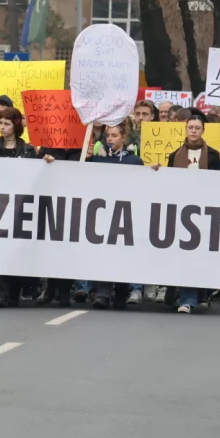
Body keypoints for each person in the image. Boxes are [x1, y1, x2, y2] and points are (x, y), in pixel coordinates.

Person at [152, 110, 220, 314]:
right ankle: (182, 296)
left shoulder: (212, 156)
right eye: (190, 127)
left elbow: (219, 183)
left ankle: (192, 297)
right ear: (185, 129)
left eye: (197, 128)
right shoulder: (175, 155)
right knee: (180, 255)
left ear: (203, 131)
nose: (193, 131)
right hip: (180, 211)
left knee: (197, 257)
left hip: (204, 211)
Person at [73, 120, 146, 309]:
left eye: (114, 135)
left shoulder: (134, 161)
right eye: (107, 136)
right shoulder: (99, 159)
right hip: (103, 214)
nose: (110, 139)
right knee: (104, 253)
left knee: (122, 254)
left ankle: (121, 292)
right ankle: (103, 294)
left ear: (123, 137)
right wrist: (87, 160)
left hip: (126, 215)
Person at [0, 106, 40, 307]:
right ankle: (0, 293)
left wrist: (46, 163)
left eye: (6, 123)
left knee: (16, 251)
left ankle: (14, 292)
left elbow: (39, 178)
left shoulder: (29, 151)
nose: (2, 127)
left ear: (15, 125)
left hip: (21, 209)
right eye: (0, 123)